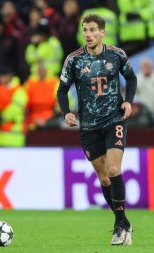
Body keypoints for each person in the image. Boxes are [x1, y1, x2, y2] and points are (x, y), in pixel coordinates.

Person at [57, 14, 137, 246]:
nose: (88, 34)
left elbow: (131, 78)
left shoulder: (117, 54)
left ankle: (119, 226)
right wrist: (66, 112)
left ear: (103, 32)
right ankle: (124, 222)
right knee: (103, 179)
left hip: (114, 120)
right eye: (85, 30)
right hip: (88, 126)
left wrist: (128, 101)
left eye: (92, 30)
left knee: (113, 169)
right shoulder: (73, 60)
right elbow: (61, 90)